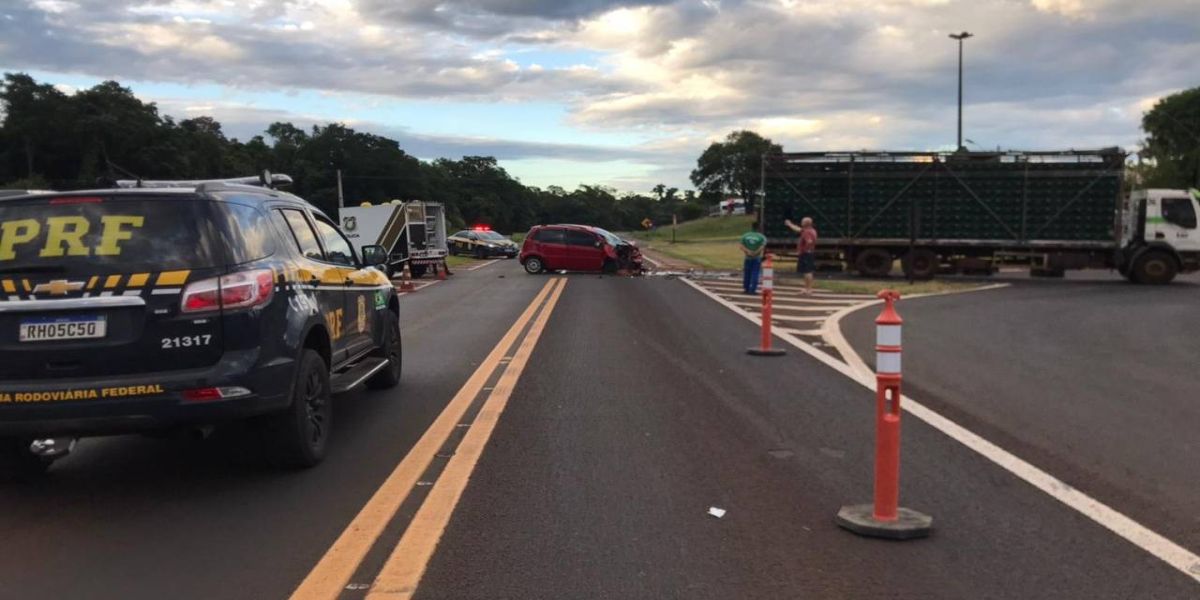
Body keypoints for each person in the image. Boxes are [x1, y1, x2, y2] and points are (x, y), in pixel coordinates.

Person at [785, 217, 818, 295]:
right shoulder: (810, 230)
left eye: (802, 222)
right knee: (805, 272)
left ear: (806, 223)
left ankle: (809, 289)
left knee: (808, 272)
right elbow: (798, 229)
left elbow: (809, 241)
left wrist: (804, 249)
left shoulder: (807, 232)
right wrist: (790, 224)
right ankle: (806, 289)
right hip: (807, 253)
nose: (801, 223)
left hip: (806, 253)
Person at [739, 221, 767, 294]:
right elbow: (762, 247)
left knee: (747, 273)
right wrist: (755, 252)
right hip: (756, 258)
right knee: (755, 273)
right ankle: (752, 290)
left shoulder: (745, 236)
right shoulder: (762, 237)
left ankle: (746, 289)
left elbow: (741, 246)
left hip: (747, 257)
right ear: (759, 228)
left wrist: (748, 251)